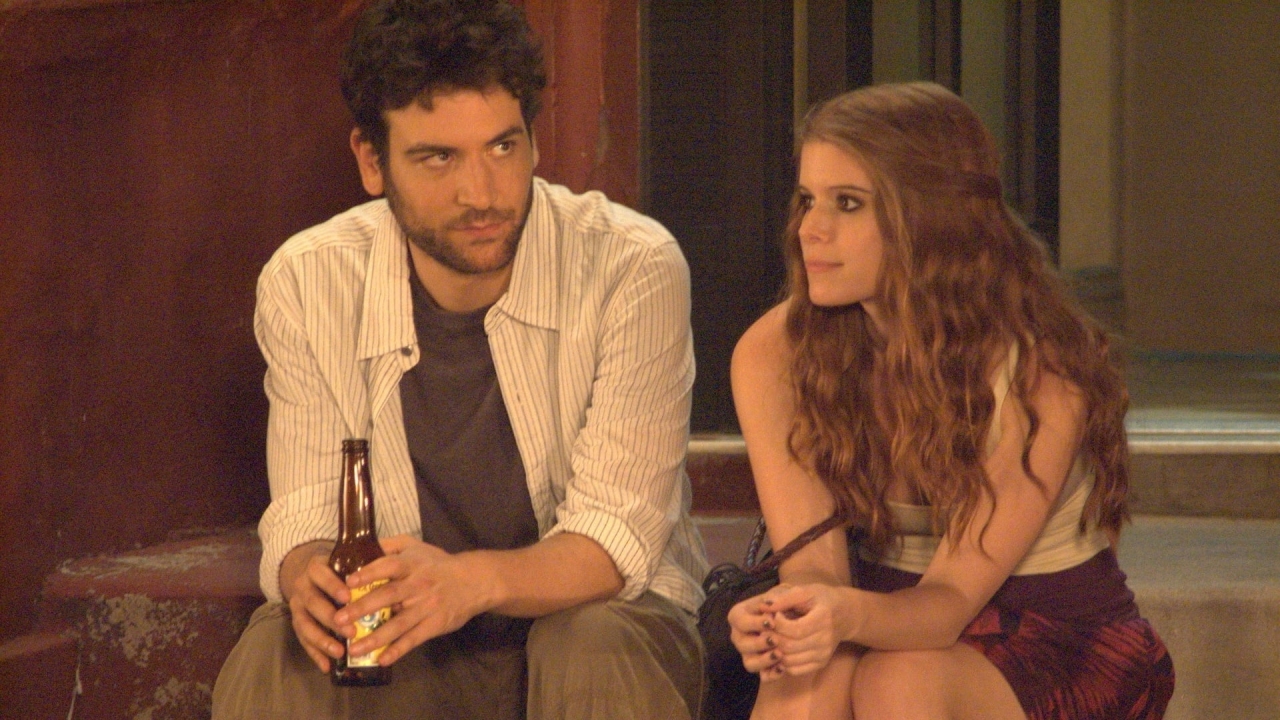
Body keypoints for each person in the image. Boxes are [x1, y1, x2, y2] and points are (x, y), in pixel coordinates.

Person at [211, 1, 708, 718]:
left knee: (587, 643)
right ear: (372, 161)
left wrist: (466, 583)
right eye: (438, 157)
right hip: (412, 637)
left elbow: (616, 541)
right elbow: (307, 515)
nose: (481, 194)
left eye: (503, 148)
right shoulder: (307, 280)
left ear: (533, 141)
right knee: (280, 652)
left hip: (598, 624)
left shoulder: (630, 265)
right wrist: (307, 577)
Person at [726, 82, 1174, 720]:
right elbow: (816, 570)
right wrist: (792, 615)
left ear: (928, 218)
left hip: (1049, 632)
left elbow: (948, 604)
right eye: (807, 200)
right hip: (879, 609)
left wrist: (843, 614)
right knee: (806, 676)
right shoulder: (772, 353)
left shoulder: (1040, 372)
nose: (809, 230)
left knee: (899, 682)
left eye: (847, 203)